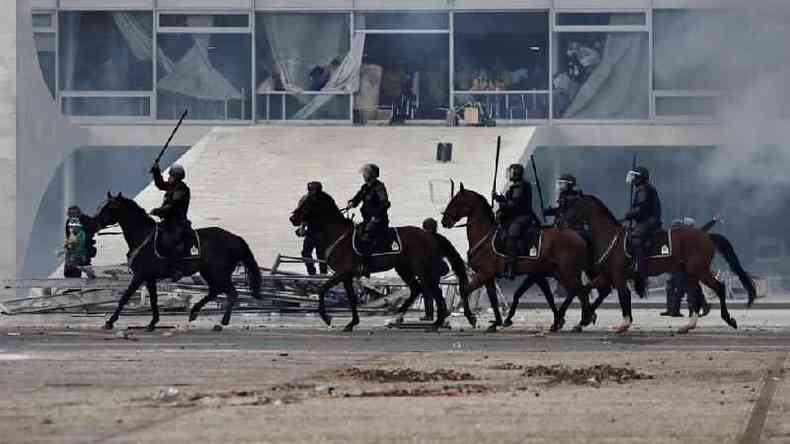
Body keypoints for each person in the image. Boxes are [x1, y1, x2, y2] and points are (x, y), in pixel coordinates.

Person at [492, 164, 538, 279]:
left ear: (515, 173)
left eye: (510, 172)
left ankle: (511, 269)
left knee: (512, 234)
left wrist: (502, 204)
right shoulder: (516, 185)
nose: (508, 174)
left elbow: (514, 205)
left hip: (522, 216)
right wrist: (498, 198)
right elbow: (510, 200)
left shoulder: (520, 186)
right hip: (517, 215)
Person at [150, 161, 191, 282]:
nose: (169, 178)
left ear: (177, 177)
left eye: (171, 176)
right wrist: (156, 171)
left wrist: (158, 210)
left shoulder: (182, 189)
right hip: (167, 222)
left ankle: (176, 269)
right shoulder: (172, 186)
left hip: (178, 223)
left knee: (171, 242)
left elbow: (173, 206)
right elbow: (160, 184)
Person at [624, 166, 662, 296]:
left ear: (640, 178)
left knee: (635, 238)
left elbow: (641, 209)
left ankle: (640, 269)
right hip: (644, 220)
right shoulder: (641, 189)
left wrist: (630, 214)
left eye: (635, 176)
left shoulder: (644, 189)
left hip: (649, 221)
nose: (632, 179)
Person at [347, 164, 390, 277]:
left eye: (365, 173)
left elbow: (385, 203)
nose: (363, 175)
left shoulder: (379, 187)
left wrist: (376, 216)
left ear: (371, 175)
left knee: (366, 238)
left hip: (378, 220)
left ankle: (366, 267)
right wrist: (352, 203)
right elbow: (358, 197)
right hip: (367, 220)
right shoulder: (365, 187)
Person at [420, 217, 451, 322]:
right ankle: (443, 310)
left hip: (429, 268)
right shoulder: (440, 238)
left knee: (427, 291)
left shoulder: (423, 239)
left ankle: (430, 314)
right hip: (437, 268)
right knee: (435, 290)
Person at [297, 181, 328, 275]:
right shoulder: (306, 199)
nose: (309, 192)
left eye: (311, 190)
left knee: (321, 254)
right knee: (306, 253)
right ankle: (312, 273)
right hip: (311, 231)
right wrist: (302, 227)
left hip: (321, 231)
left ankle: (322, 274)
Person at [63, 206, 98, 278]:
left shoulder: (85, 219)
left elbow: (93, 229)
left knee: (85, 266)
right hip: (73, 249)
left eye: (74, 213)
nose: (72, 215)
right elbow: (69, 235)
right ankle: (73, 285)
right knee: (70, 269)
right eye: (70, 213)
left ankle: (92, 281)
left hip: (84, 248)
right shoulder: (69, 221)